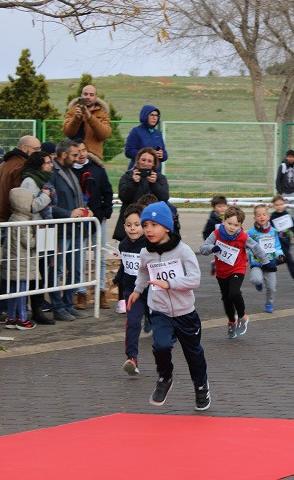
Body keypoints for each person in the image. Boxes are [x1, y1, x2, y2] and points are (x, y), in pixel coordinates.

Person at [127, 202, 210, 411]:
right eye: (145, 225)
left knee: (194, 354)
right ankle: (165, 377)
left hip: (185, 313)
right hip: (160, 310)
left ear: (166, 227)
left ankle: (201, 386)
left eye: (153, 225)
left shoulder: (183, 251)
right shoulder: (146, 252)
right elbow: (144, 273)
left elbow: (195, 280)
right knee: (161, 346)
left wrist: (170, 284)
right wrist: (137, 291)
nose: (148, 230)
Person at [199, 206, 267, 338]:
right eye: (229, 223)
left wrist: (266, 262)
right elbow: (203, 249)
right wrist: (212, 248)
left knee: (234, 292)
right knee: (226, 298)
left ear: (241, 225)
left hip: (238, 268)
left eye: (236, 225)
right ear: (223, 221)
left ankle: (242, 317)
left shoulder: (243, 237)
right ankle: (231, 321)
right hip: (221, 271)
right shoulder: (216, 234)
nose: (232, 227)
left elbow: (256, 248)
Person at [49, 139, 92, 321]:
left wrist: (84, 210)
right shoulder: (52, 172)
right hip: (60, 230)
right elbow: (50, 205)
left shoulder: (70, 171)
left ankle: (68, 304)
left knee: (75, 269)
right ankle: (57, 306)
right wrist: (69, 213)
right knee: (57, 270)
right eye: (74, 155)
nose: (77, 158)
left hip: (74, 229)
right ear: (64, 154)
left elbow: (76, 198)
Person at [72, 141, 114, 309]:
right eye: (78, 151)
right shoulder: (70, 171)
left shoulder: (97, 170)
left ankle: (101, 290)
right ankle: (81, 292)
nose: (81, 154)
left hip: (97, 218)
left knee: (100, 255)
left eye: (84, 150)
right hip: (78, 220)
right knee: (80, 257)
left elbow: (108, 192)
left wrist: (105, 213)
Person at [110, 204, 148, 377]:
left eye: (137, 224)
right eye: (128, 225)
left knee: (160, 323)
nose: (132, 228)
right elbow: (125, 266)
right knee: (132, 322)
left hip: (151, 290)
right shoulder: (124, 245)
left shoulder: (149, 244)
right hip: (131, 291)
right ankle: (132, 359)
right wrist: (117, 279)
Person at [20, 151, 56, 325]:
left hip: (44, 230)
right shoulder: (29, 181)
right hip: (34, 231)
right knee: (35, 273)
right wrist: (46, 196)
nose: (51, 165)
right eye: (48, 162)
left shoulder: (44, 181)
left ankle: (38, 307)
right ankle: (32, 309)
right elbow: (29, 206)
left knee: (43, 272)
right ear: (40, 164)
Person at [113, 147, 171, 241]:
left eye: (149, 161)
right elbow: (124, 197)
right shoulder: (128, 176)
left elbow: (164, 198)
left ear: (154, 164)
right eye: (143, 160)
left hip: (151, 226)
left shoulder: (159, 178)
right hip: (131, 226)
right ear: (138, 161)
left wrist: (154, 184)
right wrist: (134, 183)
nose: (145, 163)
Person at [2, 188, 38, 330]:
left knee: (13, 290)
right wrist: (37, 236)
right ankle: (22, 318)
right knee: (22, 291)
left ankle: (11, 317)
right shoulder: (23, 221)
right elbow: (29, 243)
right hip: (21, 261)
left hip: (14, 260)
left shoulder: (13, 217)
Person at [0, 135, 42, 222]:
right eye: (36, 149)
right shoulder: (22, 166)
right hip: (11, 218)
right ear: (24, 148)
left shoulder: (3, 163)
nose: (39, 152)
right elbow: (21, 196)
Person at [247, 204, 285, 314]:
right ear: (254, 218)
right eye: (258, 215)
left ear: (268, 216)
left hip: (270, 263)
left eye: (264, 214)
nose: (261, 217)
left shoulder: (273, 231)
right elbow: (245, 244)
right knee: (255, 279)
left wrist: (280, 254)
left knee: (272, 288)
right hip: (257, 262)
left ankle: (269, 303)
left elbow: (276, 246)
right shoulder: (251, 233)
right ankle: (258, 283)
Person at [62, 85, 112, 160]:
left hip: (94, 158)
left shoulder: (102, 114)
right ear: (81, 95)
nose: (88, 97)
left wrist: (90, 117)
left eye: (91, 95)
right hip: (74, 158)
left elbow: (104, 135)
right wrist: (76, 119)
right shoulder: (72, 111)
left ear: (96, 97)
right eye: (85, 94)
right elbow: (67, 132)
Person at [270, 195, 294, 288]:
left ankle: (267, 265)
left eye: (281, 204)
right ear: (273, 206)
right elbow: (269, 229)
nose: (279, 206)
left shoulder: (287, 215)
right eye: (276, 205)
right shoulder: (272, 217)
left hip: (287, 242)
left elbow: (293, 226)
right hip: (278, 244)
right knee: (290, 260)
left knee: (283, 259)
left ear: (284, 204)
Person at [125, 105, 167, 169]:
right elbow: (128, 151)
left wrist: (162, 155)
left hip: (155, 173)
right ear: (145, 116)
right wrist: (146, 155)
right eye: (151, 115)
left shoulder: (158, 134)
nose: (154, 118)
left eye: (156, 115)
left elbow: (165, 154)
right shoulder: (136, 131)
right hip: (139, 171)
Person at [276, 149, 294, 238]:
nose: (291, 159)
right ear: (287, 157)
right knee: (283, 212)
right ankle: (283, 230)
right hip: (285, 193)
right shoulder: (283, 166)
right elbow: (278, 179)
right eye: (290, 157)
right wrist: (280, 191)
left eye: (293, 157)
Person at [202, 195, 228, 277]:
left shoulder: (230, 218)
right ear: (214, 208)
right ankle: (216, 265)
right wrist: (210, 243)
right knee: (222, 261)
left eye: (224, 206)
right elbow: (205, 232)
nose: (222, 208)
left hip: (229, 243)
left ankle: (215, 263)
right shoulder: (212, 221)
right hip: (217, 245)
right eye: (219, 206)